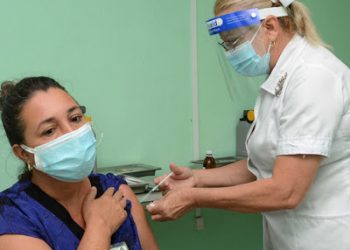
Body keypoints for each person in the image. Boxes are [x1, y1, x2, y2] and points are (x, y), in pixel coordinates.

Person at [146, 0, 350, 249]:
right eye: (226, 43)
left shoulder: (313, 76)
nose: (230, 51)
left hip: (327, 237)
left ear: (270, 27)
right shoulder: (279, 76)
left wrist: (193, 197)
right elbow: (262, 163)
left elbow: (287, 190)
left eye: (234, 41)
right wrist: (196, 179)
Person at [0, 76, 158, 250]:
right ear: (24, 153)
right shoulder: (12, 219)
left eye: (75, 118)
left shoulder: (116, 192)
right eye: (50, 130)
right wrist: (99, 227)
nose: (71, 134)